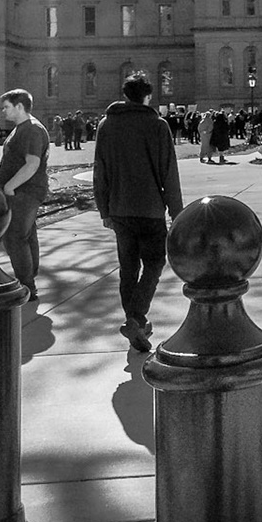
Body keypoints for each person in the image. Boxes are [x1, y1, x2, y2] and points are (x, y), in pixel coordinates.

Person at [95, 74, 184, 351]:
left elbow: (100, 170)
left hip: (119, 208)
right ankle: (136, 318)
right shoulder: (157, 125)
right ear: (147, 97)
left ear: (125, 96)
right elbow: (168, 172)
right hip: (149, 208)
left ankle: (135, 321)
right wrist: (176, 211)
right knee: (155, 262)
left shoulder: (106, 125)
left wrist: (104, 209)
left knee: (128, 269)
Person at [0, 88, 49, 305]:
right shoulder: (23, 129)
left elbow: (32, 163)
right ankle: (29, 281)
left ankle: (27, 286)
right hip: (23, 192)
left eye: (7, 106)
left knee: (15, 237)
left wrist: (9, 186)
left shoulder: (31, 130)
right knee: (26, 236)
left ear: (20, 106)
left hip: (24, 192)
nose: (3, 111)